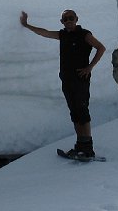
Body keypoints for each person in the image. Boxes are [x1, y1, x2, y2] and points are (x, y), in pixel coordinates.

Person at [19, 9, 106, 158]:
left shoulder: (85, 34)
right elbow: (44, 32)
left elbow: (101, 48)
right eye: (65, 19)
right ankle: (80, 146)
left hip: (80, 79)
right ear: (62, 22)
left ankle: (88, 149)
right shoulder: (63, 35)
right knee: (74, 112)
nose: (68, 21)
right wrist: (27, 25)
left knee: (82, 111)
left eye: (71, 18)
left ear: (76, 18)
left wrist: (89, 67)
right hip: (67, 79)